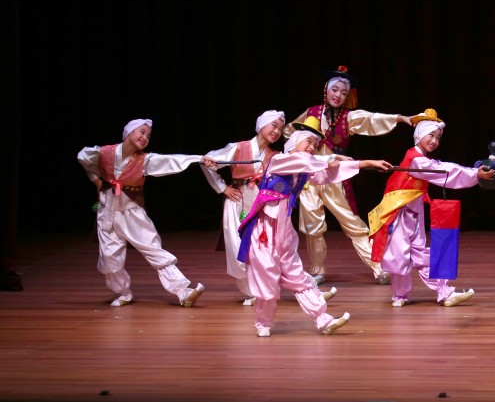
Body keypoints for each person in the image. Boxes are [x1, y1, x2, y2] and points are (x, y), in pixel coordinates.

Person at [237, 117, 392, 337]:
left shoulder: (302, 171)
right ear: (295, 141)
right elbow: (310, 162)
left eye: (315, 144)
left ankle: (323, 319)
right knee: (267, 278)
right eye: (308, 142)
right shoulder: (280, 160)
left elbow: (328, 173)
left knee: (298, 277)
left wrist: (365, 164)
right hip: (264, 232)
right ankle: (263, 323)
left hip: (283, 232)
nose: (312, 147)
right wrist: (332, 158)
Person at [284, 65, 415, 285]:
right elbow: (289, 131)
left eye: (344, 93)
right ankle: (317, 270)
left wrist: (401, 118)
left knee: (352, 223)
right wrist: (298, 148)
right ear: (326, 90)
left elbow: (372, 119)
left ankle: (378, 267)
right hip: (309, 179)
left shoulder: (348, 117)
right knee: (312, 227)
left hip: (334, 176)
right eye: (335, 90)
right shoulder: (311, 113)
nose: (338, 95)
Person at [368, 109, 495, 308]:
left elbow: (441, 168)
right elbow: (442, 171)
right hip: (399, 213)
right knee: (400, 255)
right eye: (431, 135)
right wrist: (473, 174)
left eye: (438, 137)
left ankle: (444, 292)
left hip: (413, 212)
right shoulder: (416, 159)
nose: (434, 141)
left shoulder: (419, 159)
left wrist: (473, 173)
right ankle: (400, 295)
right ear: (419, 134)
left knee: (420, 253)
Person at [77, 119, 205, 307]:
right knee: (109, 259)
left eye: (148, 135)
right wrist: (96, 180)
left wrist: (199, 159)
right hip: (107, 212)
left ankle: (183, 291)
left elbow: (171, 161)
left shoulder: (144, 160)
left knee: (154, 250)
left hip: (133, 213)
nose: (145, 137)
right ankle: (123, 293)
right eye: (142, 132)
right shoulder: (105, 153)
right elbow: (83, 157)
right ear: (129, 132)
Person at [201, 110, 284, 305]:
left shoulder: (275, 155)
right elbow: (207, 162)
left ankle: (266, 289)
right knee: (237, 249)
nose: (277, 131)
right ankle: (251, 291)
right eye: (273, 125)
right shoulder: (238, 148)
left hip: (261, 204)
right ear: (261, 126)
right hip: (237, 202)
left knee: (263, 249)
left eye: (280, 129)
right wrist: (223, 188)